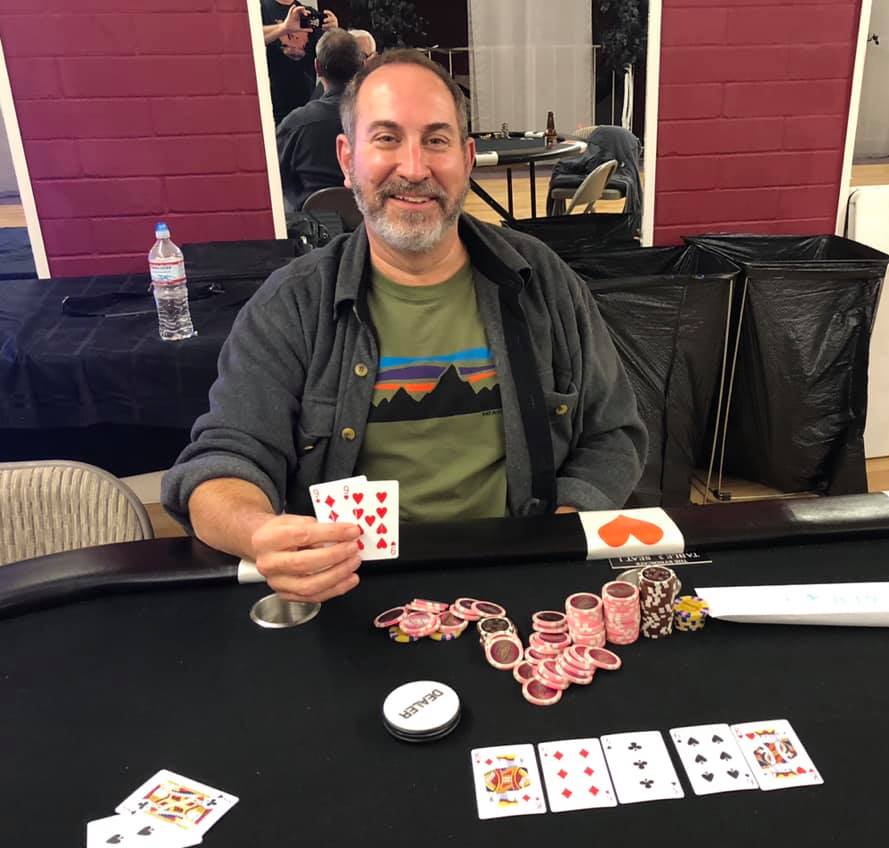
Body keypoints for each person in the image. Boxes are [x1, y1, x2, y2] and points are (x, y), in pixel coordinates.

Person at [161, 50, 646, 605]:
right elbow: (222, 463)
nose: (414, 169)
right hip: (349, 596)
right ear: (347, 158)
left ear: (467, 158)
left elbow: (615, 433)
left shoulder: (544, 281)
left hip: (519, 584)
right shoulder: (291, 304)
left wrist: (559, 531)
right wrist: (259, 533)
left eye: (436, 140)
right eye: (387, 138)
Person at [277, 29, 364, 212]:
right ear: (362, 66)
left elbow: (275, 179)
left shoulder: (294, 124)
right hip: (373, 222)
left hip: (312, 224)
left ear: (317, 67)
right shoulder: (383, 119)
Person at [261, 2, 338, 122]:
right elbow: (249, 38)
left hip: (306, 104)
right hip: (271, 105)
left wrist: (333, 32)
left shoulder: (307, 13)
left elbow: (328, 55)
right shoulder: (261, 8)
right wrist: (284, 28)